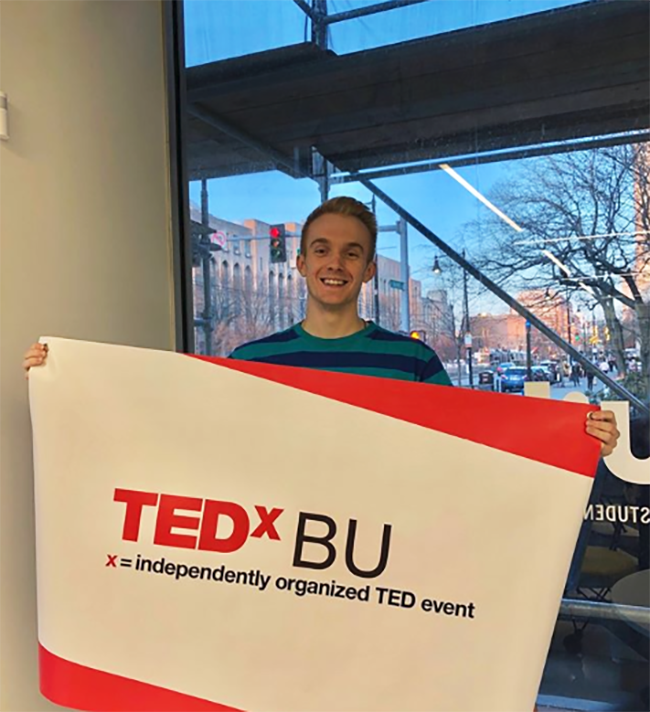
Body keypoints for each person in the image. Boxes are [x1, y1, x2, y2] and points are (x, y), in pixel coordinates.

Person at [24, 196, 619, 453]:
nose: (337, 262)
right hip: (279, 560)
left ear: (364, 272)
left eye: (353, 253)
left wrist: (573, 436)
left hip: (380, 557)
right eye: (323, 250)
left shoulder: (411, 361)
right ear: (302, 262)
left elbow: (472, 443)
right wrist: (71, 383)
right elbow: (185, 434)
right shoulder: (254, 361)